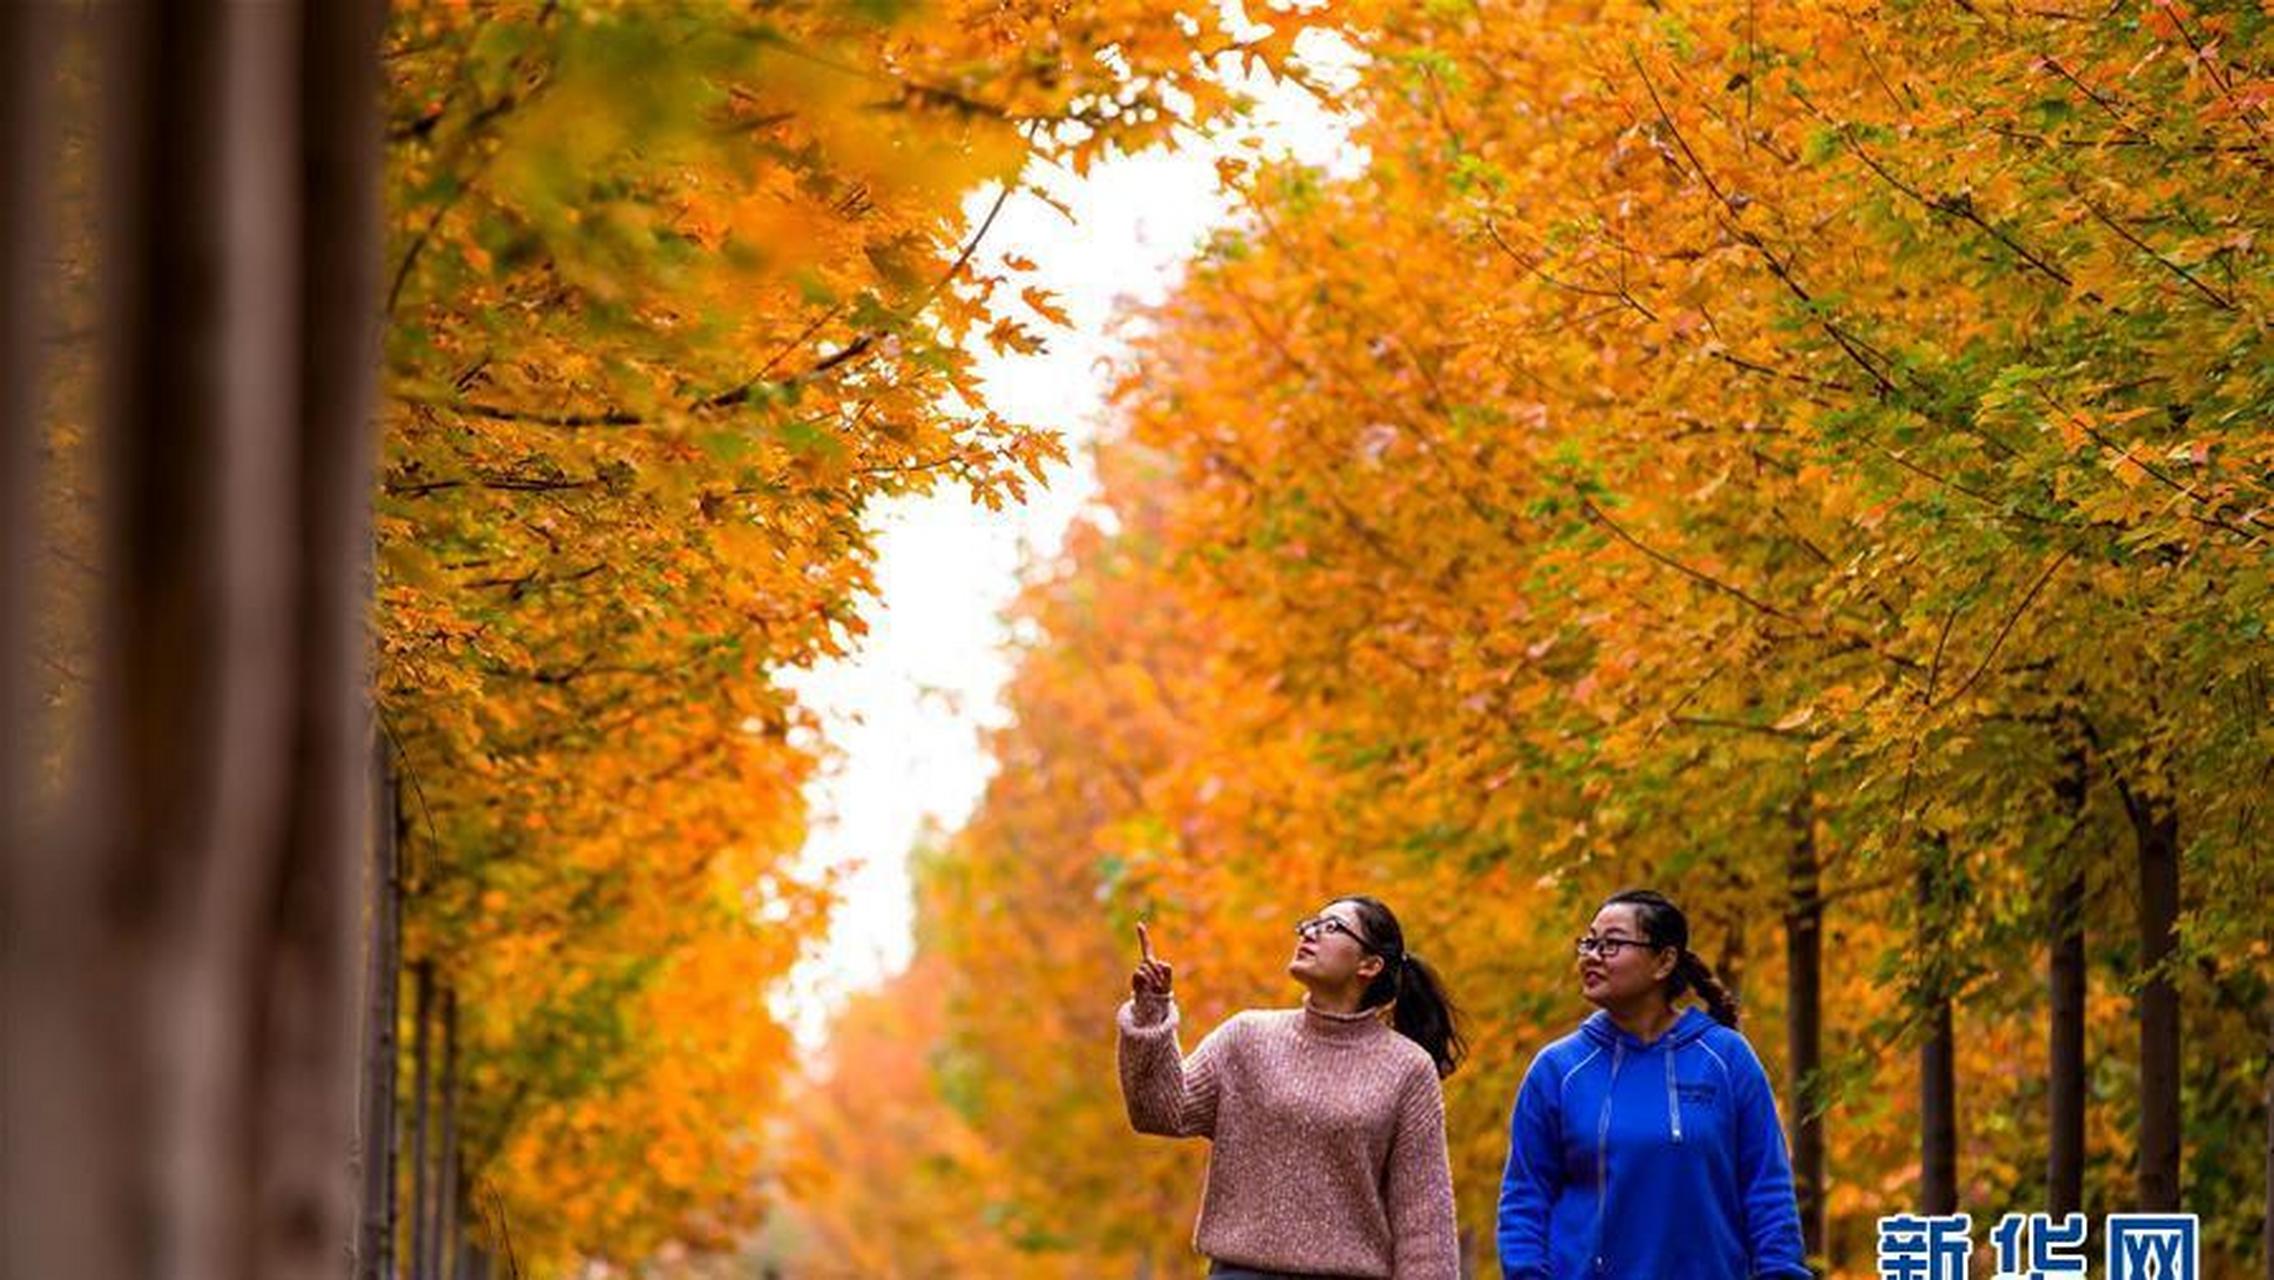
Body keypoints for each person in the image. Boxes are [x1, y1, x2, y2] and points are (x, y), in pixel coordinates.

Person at [1117, 896, 1465, 1280]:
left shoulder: (1407, 1068)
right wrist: (1151, 1009)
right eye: (1309, 923)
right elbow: (1159, 1111)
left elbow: (1424, 1219)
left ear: (1370, 965)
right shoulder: (1247, 1037)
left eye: (1332, 927)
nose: (1309, 932)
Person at [1495, 888, 1812, 1279]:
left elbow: (1767, 1187)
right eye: (1589, 942)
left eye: (1611, 944)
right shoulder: (1558, 1070)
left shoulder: (1727, 1059)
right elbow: (1525, 1199)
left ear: (1664, 961)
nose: (1592, 955)